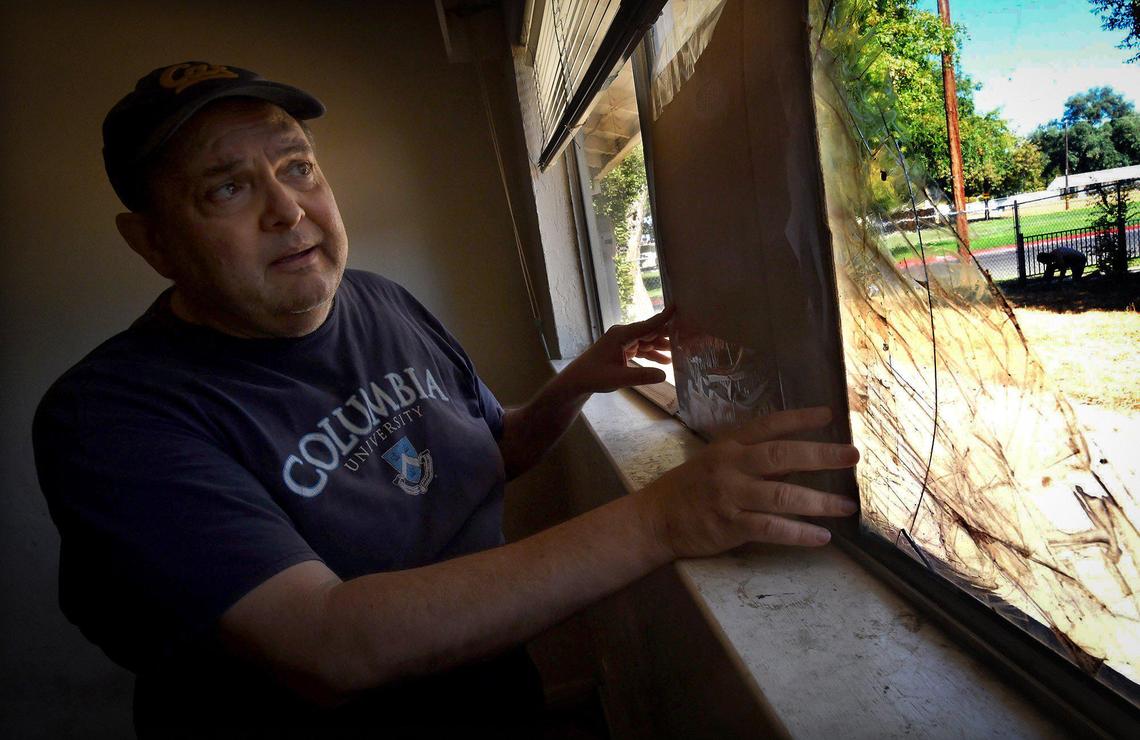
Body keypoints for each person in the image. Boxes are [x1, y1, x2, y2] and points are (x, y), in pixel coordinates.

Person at [33, 62, 860, 736]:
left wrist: (574, 385)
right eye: (226, 189)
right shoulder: (112, 416)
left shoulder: (382, 301)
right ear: (151, 242)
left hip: (497, 696)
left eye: (297, 168)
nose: (287, 210)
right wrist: (661, 519)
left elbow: (489, 449)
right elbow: (324, 646)